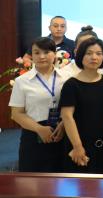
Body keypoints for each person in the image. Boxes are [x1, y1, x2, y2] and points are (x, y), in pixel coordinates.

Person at [10, 37, 69, 172]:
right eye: (37, 52)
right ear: (31, 55)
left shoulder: (67, 78)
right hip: (33, 134)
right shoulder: (22, 81)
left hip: (62, 132)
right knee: (33, 180)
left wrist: (63, 124)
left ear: (55, 54)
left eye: (47, 52)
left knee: (62, 178)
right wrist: (39, 129)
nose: (42, 56)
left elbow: (73, 107)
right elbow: (16, 114)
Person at [60, 37, 103, 174]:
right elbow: (67, 116)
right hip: (78, 144)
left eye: (99, 53)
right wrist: (77, 146)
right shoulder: (71, 84)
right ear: (80, 56)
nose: (94, 57)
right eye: (89, 53)